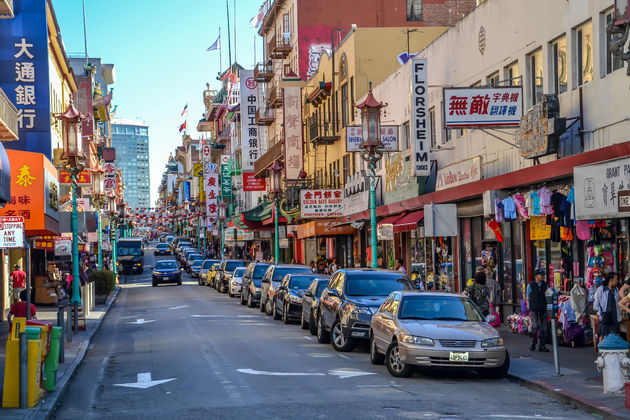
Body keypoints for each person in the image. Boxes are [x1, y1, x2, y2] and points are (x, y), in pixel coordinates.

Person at [527, 269, 550, 352]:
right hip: (534, 309)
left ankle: (542, 346)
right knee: (535, 327)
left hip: (543, 308)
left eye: (543, 274)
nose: (543, 276)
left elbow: (548, 295)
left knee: (545, 328)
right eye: (541, 275)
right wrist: (529, 308)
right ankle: (533, 342)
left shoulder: (545, 285)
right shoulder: (531, 285)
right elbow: (528, 297)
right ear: (536, 276)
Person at [595, 272, 621, 339]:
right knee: (603, 335)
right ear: (611, 280)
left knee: (615, 335)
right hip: (604, 316)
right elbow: (596, 304)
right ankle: (602, 348)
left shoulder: (616, 290)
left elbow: (618, 303)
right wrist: (599, 315)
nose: (617, 281)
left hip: (614, 316)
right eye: (616, 279)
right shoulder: (601, 289)